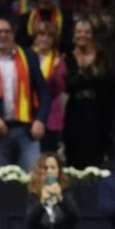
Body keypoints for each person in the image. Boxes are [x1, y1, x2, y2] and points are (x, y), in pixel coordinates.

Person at [0, 17, 49, 170]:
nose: (3, 35)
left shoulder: (29, 57)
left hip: (26, 130)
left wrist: (40, 120)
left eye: (7, 31)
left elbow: (44, 92)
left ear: (13, 34)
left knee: (33, 180)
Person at [63, 19, 115, 169]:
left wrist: (87, 76)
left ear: (93, 35)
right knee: (74, 153)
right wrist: (83, 72)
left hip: (98, 110)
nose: (83, 35)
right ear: (73, 36)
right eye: (79, 32)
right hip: (75, 111)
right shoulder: (67, 57)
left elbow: (108, 82)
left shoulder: (103, 56)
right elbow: (68, 86)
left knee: (97, 155)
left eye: (87, 32)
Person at [25, 152, 82, 229]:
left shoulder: (67, 192)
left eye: (53, 167)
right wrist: (41, 203)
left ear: (58, 171)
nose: (49, 171)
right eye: (45, 168)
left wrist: (61, 199)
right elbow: (29, 223)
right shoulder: (33, 194)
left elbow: (76, 217)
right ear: (39, 171)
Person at [31, 22, 68, 154]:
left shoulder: (58, 61)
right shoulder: (25, 58)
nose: (45, 39)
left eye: (49, 36)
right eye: (41, 34)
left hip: (51, 117)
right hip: (29, 114)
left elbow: (58, 88)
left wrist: (55, 73)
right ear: (35, 37)